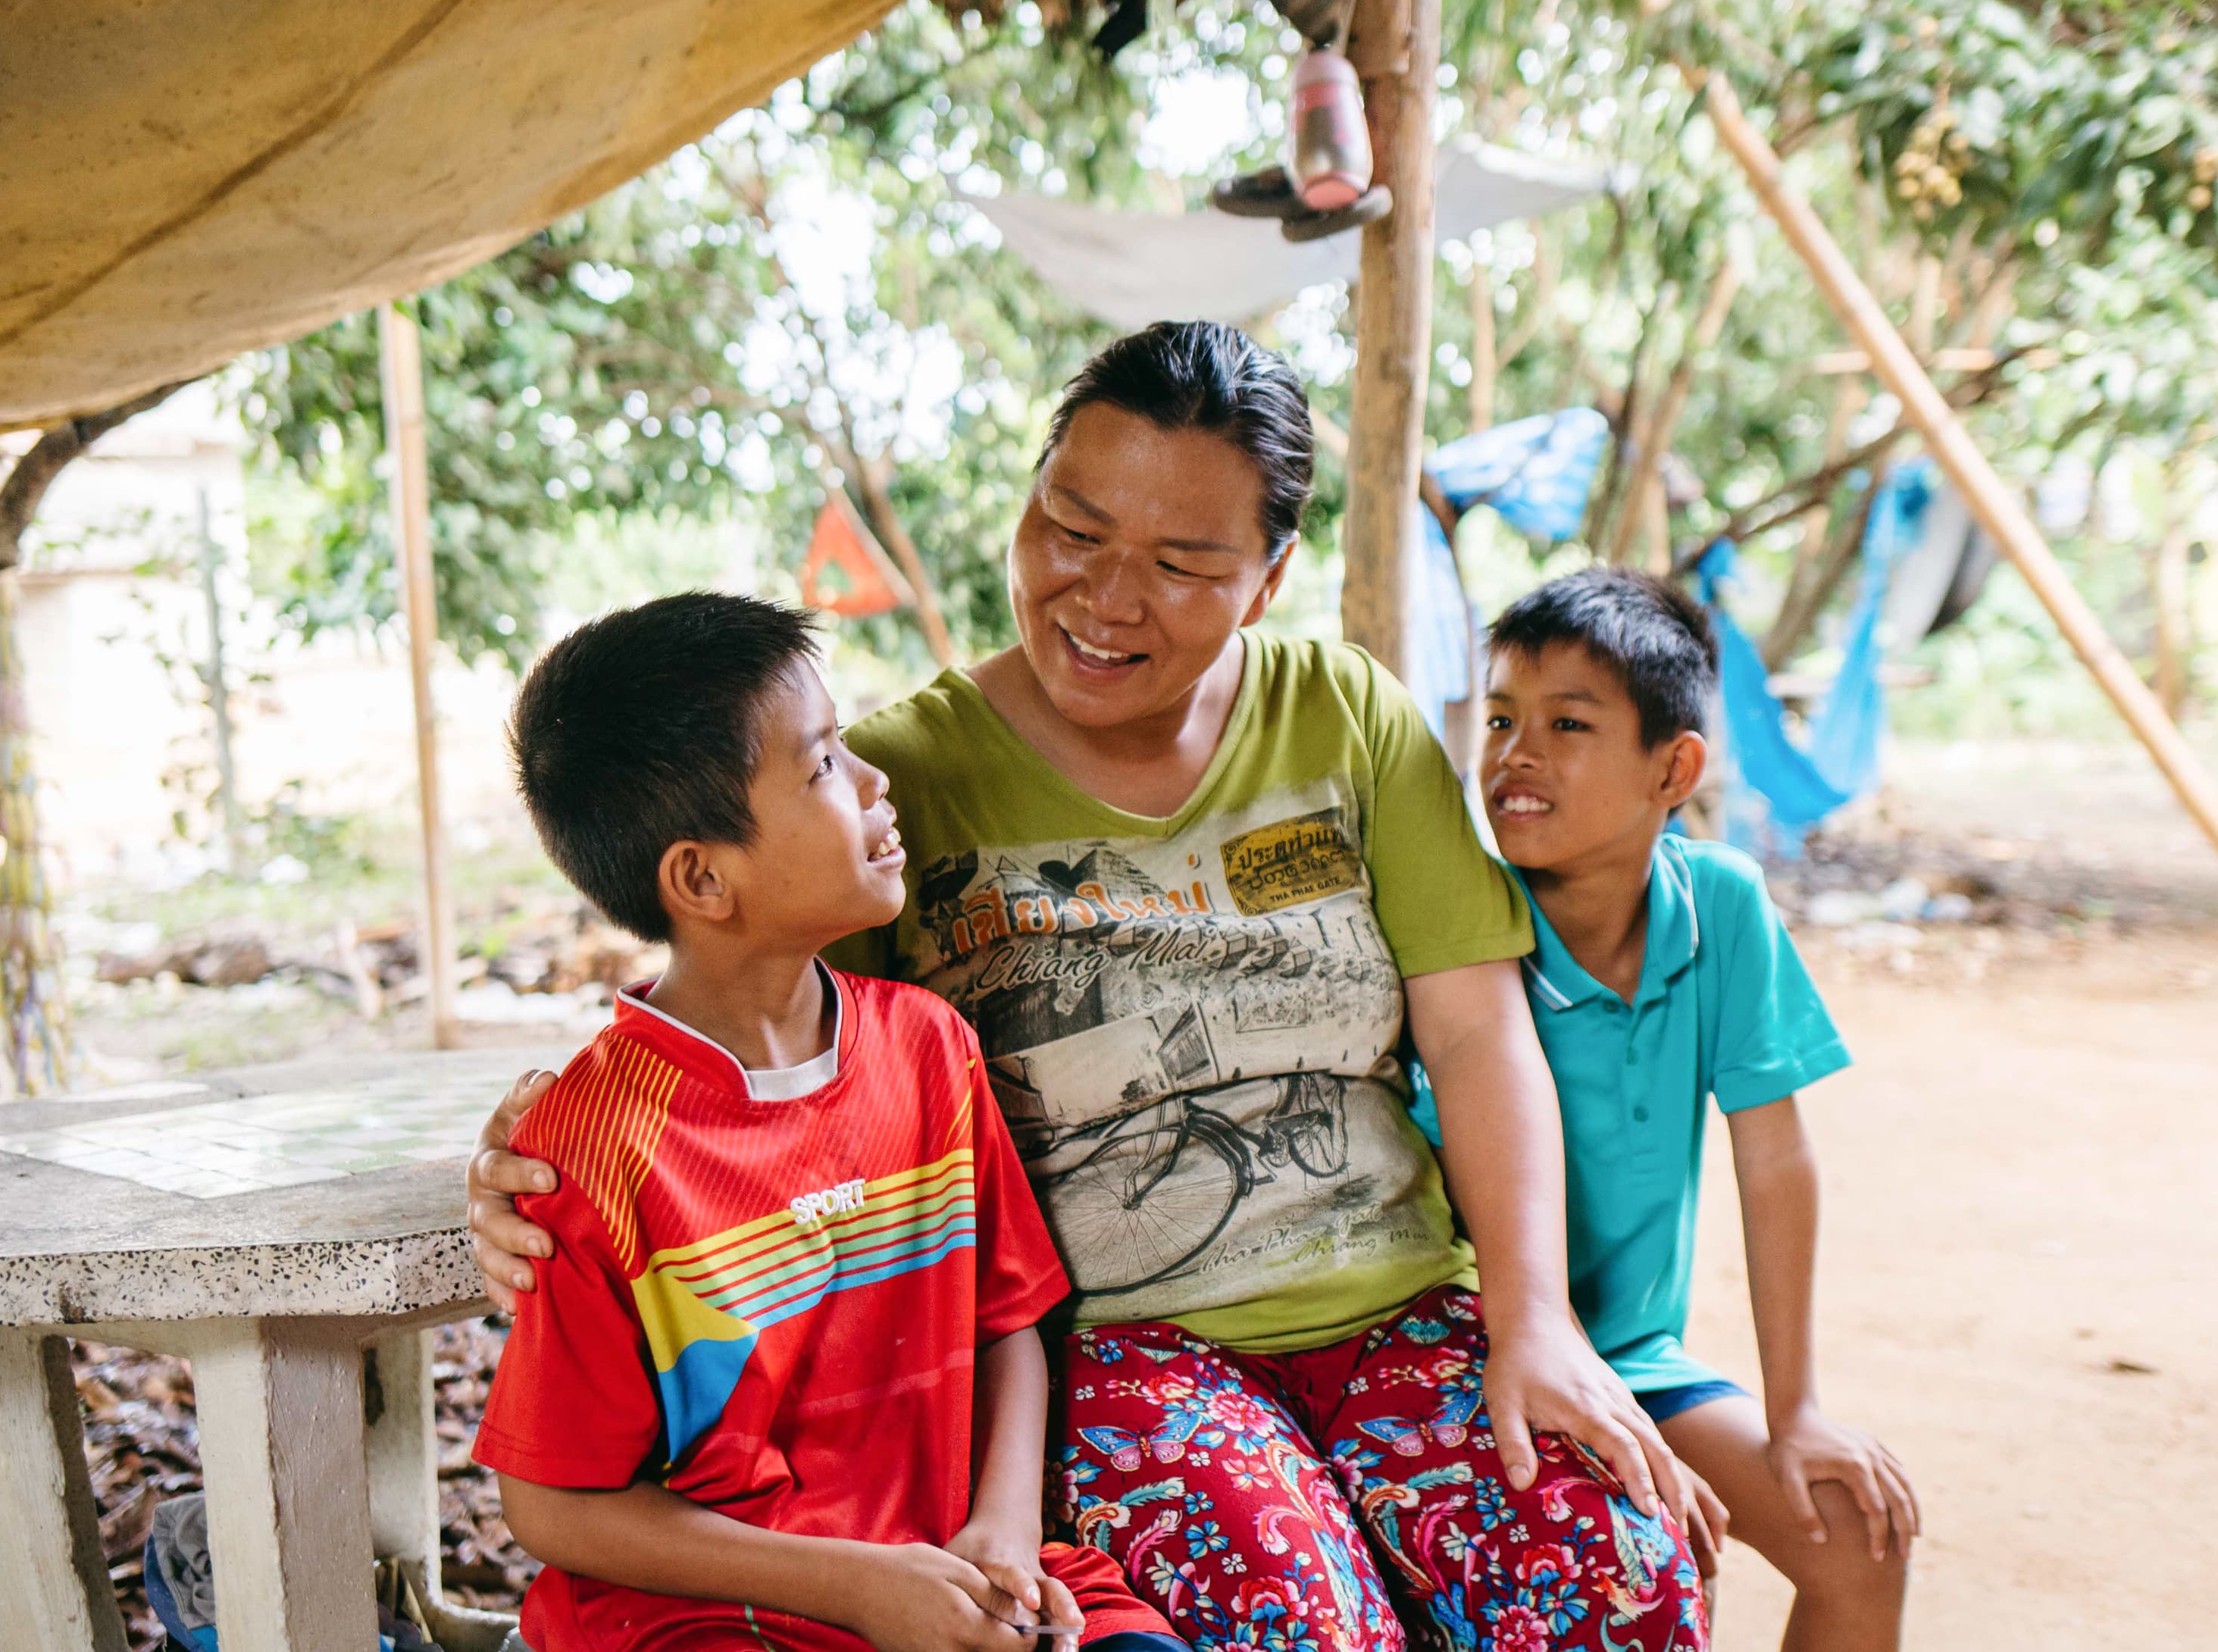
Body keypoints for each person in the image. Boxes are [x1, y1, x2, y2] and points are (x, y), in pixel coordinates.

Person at [470, 324, 1713, 1652]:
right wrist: (532, 1152)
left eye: (1182, 566)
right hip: (1127, 1353)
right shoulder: (897, 787)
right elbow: (747, 1024)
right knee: (1299, 1621)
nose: (1106, 598)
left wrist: (1535, 1321)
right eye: (1072, 527)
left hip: (1405, 1306)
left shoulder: (1347, 718)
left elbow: (1476, 1035)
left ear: (1270, 576)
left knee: (1618, 1571)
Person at [471, 592, 1184, 1652]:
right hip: (723, 1613)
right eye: (820, 767)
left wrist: (1000, 1531)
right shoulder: (591, 1151)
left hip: (951, 1565)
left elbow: (1006, 1324)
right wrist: (857, 1588)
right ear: (702, 877)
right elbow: (553, 1506)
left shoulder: (930, 1047)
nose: (873, 782)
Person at [1467, 568, 1919, 1651]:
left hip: (1639, 1358)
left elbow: (1774, 1162)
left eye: (1567, 723)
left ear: (1673, 768)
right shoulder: (1465, 932)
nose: (1514, 755)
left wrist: (1796, 1406)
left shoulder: (1720, 905)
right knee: (1650, 1547)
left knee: (1859, 1535)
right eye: (1499, 719)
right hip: (1483, 1356)